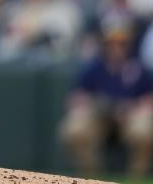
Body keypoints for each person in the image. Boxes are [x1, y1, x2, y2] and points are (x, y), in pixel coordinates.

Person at [58, 14, 153, 177]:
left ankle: (135, 177)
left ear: (128, 43)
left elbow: (149, 99)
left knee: (144, 129)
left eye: (121, 42)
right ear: (104, 43)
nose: (116, 47)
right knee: (73, 129)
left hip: (128, 117)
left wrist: (134, 108)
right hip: (98, 117)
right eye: (112, 42)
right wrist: (92, 105)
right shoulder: (93, 67)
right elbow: (75, 97)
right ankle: (93, 176)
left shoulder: (138, 67)